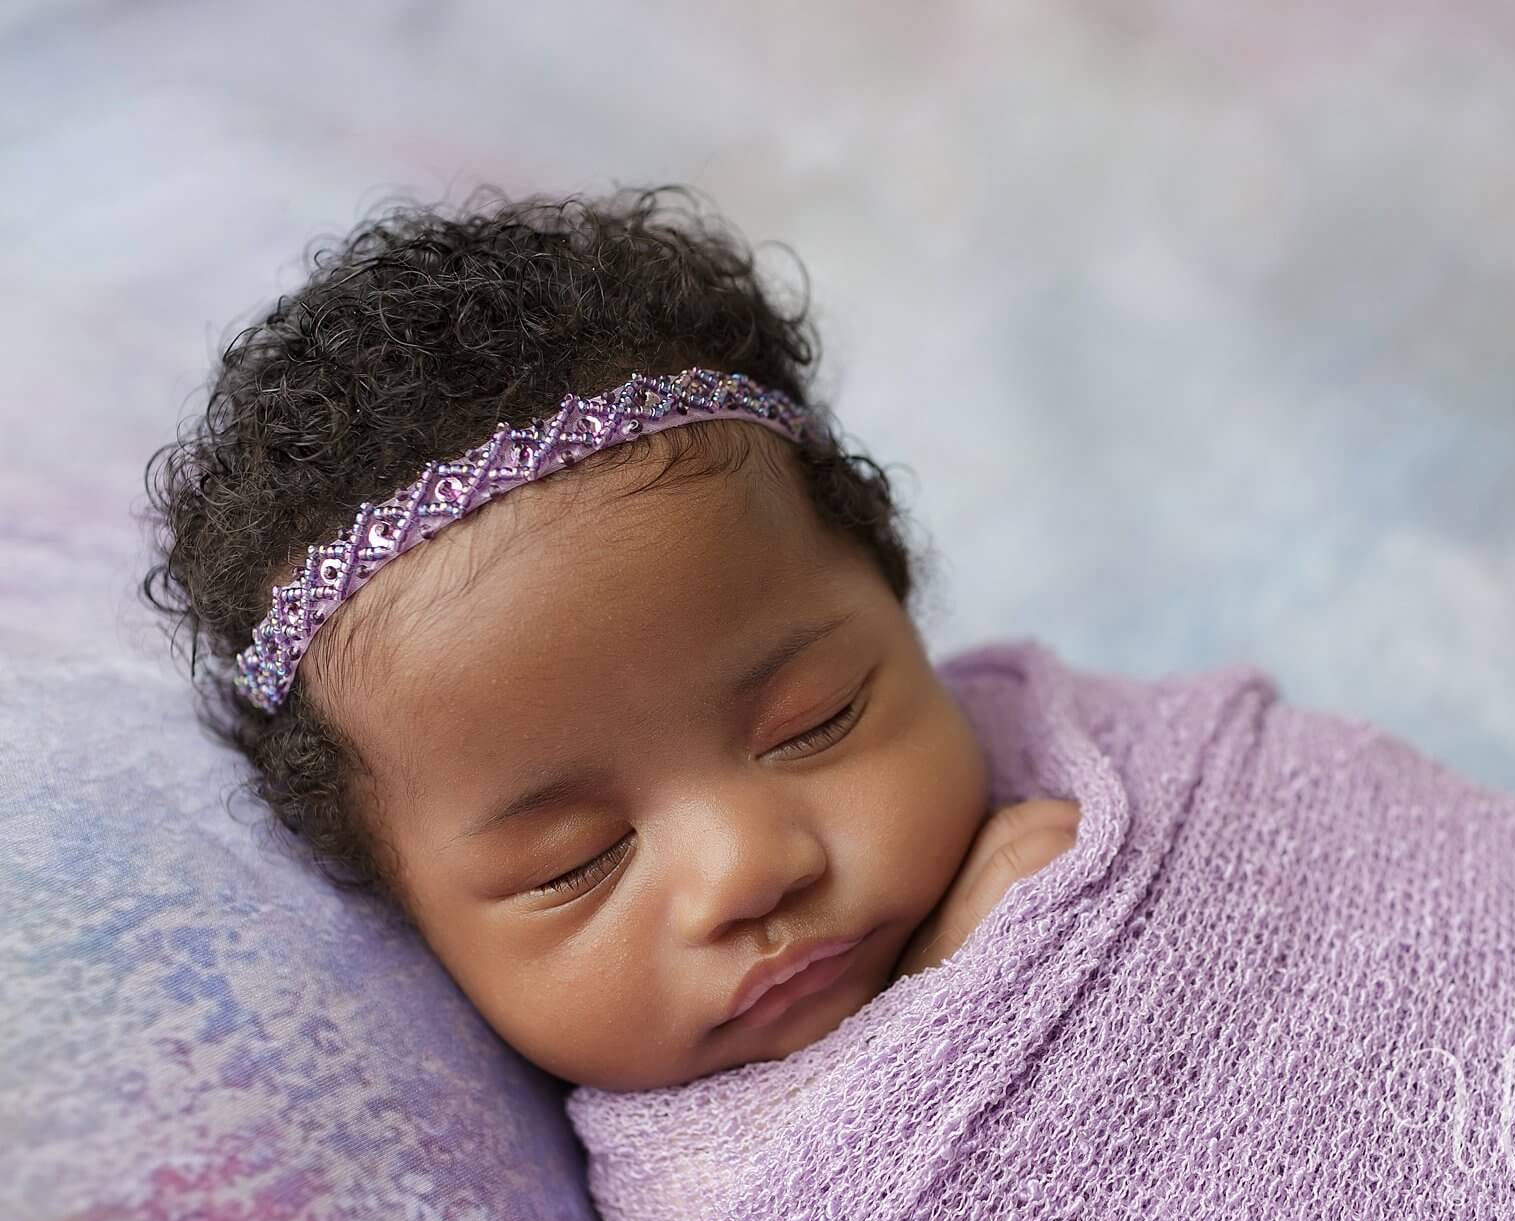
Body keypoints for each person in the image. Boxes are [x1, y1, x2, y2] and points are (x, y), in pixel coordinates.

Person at [140, 183, 1079, 1093]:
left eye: (814, 722)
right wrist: (972, 989)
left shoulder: (1100, 746)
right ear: (408, 910)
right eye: (575, 861)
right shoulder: (683, 1184)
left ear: (895, 595)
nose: (744, 869)